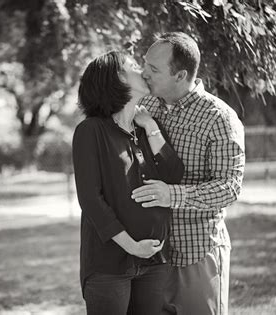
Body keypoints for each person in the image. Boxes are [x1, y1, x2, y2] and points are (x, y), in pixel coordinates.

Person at [131, 32, 246, 315]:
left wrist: (172, 195)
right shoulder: (146, 107)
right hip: (151, 255)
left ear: (180, 75)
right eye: (145, 64)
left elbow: (229, 187)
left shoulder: (219, 118)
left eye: (154, 69)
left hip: (197, 252)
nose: (144, 73)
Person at [72, 50, 184, 315]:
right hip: (108, 266)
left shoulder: (147, 128)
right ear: (115, 79)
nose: (143, 70)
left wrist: (150, 127)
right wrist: (132, 246)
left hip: (156, 260)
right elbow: (90, 199)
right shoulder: (91, 131)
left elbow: (173, 175)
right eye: (133, 66)